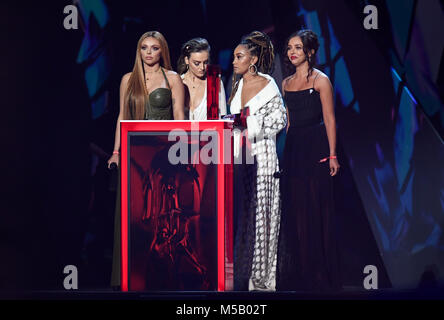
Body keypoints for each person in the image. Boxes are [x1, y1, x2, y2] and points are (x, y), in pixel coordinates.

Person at [107, 31, 185, 289]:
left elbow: (179, 116)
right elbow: (121, 116)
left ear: (162, 51)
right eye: (144, 48)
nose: (149, 53)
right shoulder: (128, 79)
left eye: (154, 48)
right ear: (138, 51)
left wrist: (182, 151)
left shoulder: (172, 78)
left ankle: (161, 274)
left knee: (160, 213)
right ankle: (132, 273)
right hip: (133, 153)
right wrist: (116, 152)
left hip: (162, 153)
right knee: (135, 214)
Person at [277, 29, 341, 291]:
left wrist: (333, 155)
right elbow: (290, 123)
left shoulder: (321, 80)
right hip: (295, 149)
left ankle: (322, 275)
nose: (292, 52)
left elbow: (330, 119)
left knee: (318, 209)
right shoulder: (286, 83)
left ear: (310, 52)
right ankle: (304, 273)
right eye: (290, 48)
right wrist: (285, 154)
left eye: (298, 48)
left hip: (317, 147)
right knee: (299, 211)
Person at [229, 31, 287, 291]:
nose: (234, 61)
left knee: (263, 215)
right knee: (243, 216)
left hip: (263, 158)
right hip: (239, 158)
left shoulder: (268, 84)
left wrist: (247, 123)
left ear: (252, 60)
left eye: (239, 57)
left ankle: (261, 280)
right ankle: (240, 275)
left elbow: (280, 120)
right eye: (233, 57)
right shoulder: (236, 84)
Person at [177, 37, 227, 119]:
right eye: (197, 63)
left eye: (205, 62)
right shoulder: (178, 82)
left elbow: (223, 118)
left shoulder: (214, 82)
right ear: (186, 60)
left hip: (209, 131)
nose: (202, 67)